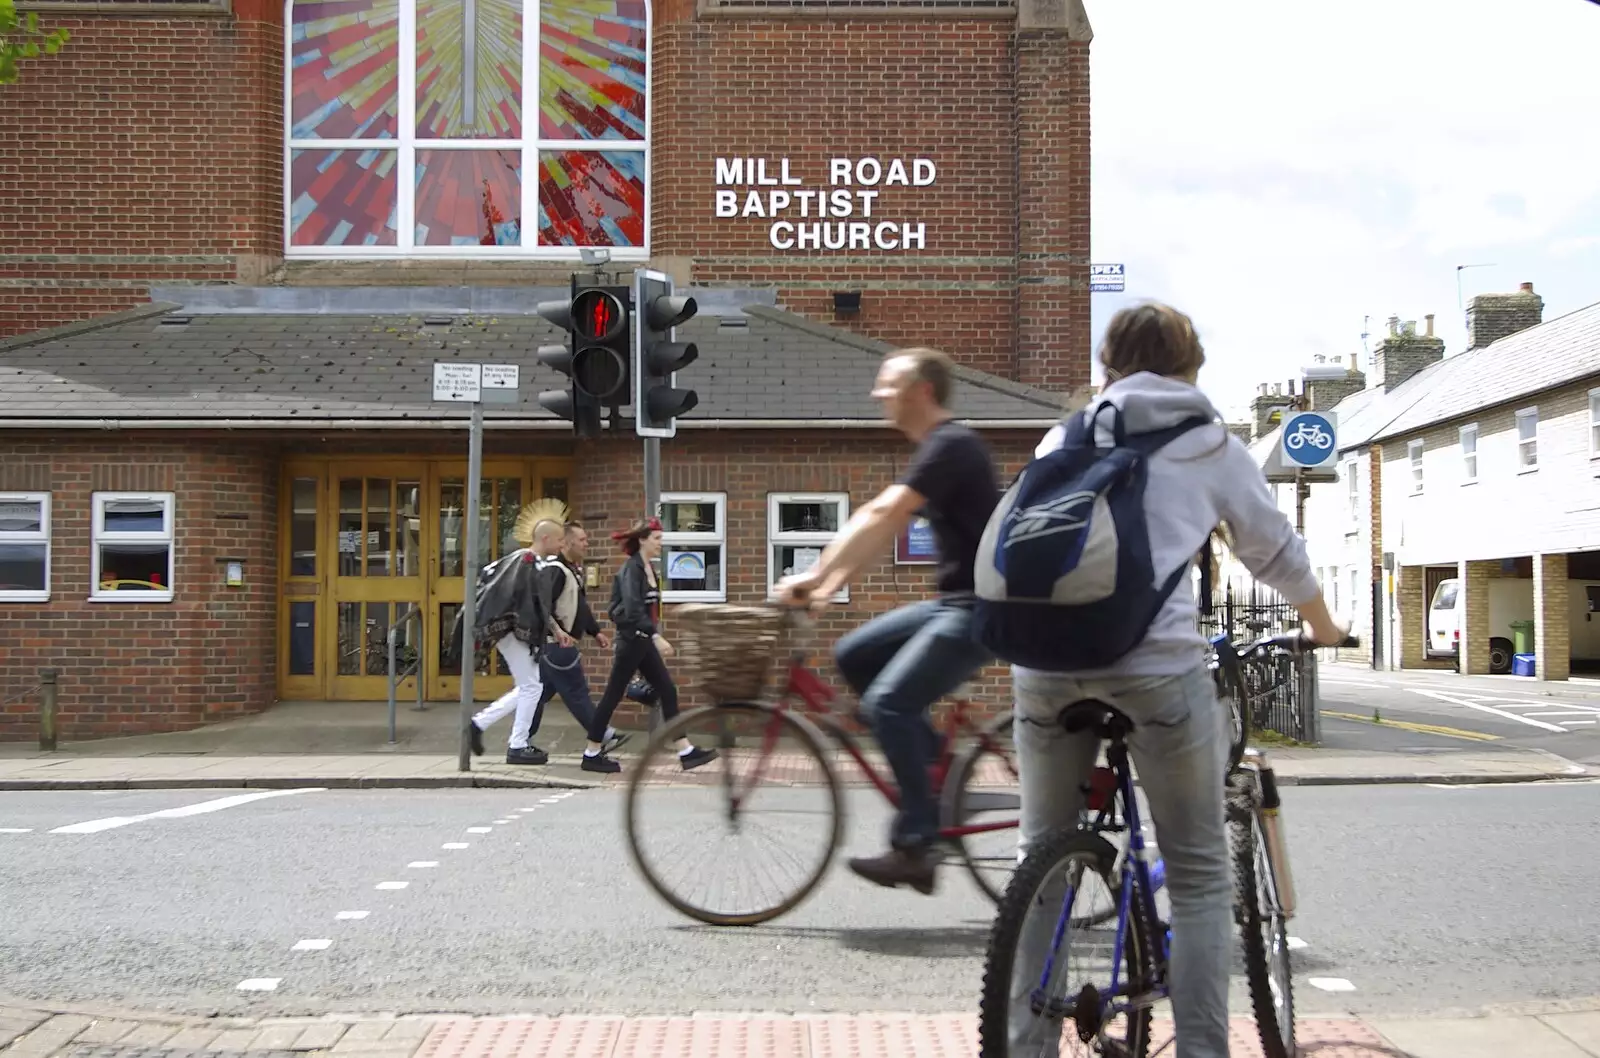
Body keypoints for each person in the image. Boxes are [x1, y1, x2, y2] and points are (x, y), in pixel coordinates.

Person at [1005, 302, 1348, 1058]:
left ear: (1108, 366)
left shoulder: (1063, 434)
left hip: (1042, 666)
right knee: (1196, 875)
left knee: (1043, 856)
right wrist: (1322, 626)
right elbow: (1275, 551)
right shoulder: (1206, 442)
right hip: (1155, 671)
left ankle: (1023, 1046)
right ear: (1192, 368)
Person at [775, 346, 999, 894]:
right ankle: (930, 774)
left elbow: (882, 513)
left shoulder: (952, 445)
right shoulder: (939, 449)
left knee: (887, 705)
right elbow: (877, 527)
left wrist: (816, 580)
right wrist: (825, 582)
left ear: (922, 391)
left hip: (980, 611)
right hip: (955, 604)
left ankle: (918, 843)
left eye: (888, 383)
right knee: (854, 656)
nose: (878, 393)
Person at [579, 517, 717, 775]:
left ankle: (685, 750)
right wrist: (656, 636)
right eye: (656, 539)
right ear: (642, 540)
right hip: (632, 642)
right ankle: (591, 752)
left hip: (642, 641)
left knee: (667, 690)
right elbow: (631, 609)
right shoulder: (631, 569)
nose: (660, 544)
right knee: (612, 696)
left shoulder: (647, 568)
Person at [463, 515, 570, 764]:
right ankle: (517, 746)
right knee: (533, 687)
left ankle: (479, 726)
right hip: (513, 631)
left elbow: (536, 605)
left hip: (509, 631)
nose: (561, 545)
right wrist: (550, 630)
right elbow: (529, 604)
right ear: (545, 538)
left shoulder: (524, 561)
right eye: (559, 540)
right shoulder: (528, 563)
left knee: (529, 686)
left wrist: (556, 630)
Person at [520, 520, 629, 761]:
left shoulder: (570, 570)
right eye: (582, 540)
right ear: (566, 543)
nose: (586, 544)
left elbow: (580, 606)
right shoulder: (555, 571)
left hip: (557, 644)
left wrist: (595, 631)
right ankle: (603, 734)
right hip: (558, 645)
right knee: (576, 691)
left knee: (539, 694)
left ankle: (521, 739)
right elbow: (543, 606)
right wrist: (558, 632)